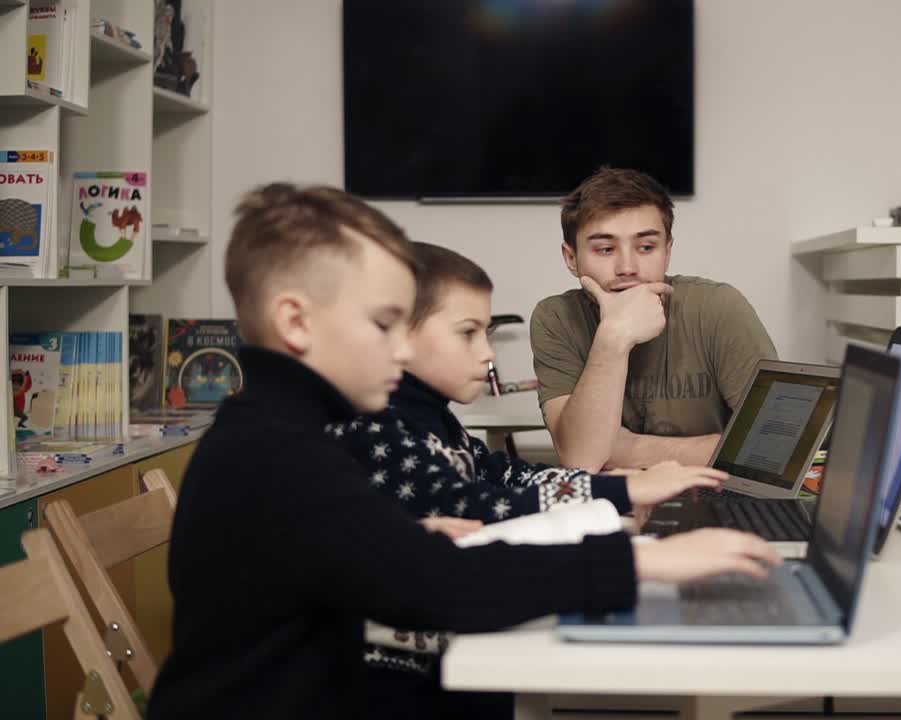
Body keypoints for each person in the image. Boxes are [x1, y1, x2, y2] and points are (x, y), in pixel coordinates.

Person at [147, 182, 779, 719]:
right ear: (296, 322)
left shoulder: (274, 430)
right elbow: (443, 588)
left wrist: (404, 541)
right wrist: (648, 563)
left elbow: (353, 560)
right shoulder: (283, 454)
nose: (403, 351)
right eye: (384, 324)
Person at [335, 243, 728, 716]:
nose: (487, 354)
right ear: (398, 335)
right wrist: (620, 491)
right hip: (401, 691)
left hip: (451, 659)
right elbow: (470, 505)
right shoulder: (375, 424)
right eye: (468, 334)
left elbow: (501, 473)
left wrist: (620, 483)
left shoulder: (430, 416)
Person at [531, 167, 777, 472]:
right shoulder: (556, 318)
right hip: (615, 501)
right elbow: (582, 458)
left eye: (646, 247)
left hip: (710, 491)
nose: (627, 267)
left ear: (667, 251)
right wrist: (613, 338)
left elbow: (775, 446)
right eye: (605, 249)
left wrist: (629, 449)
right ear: (571, 258)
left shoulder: (717, 307)